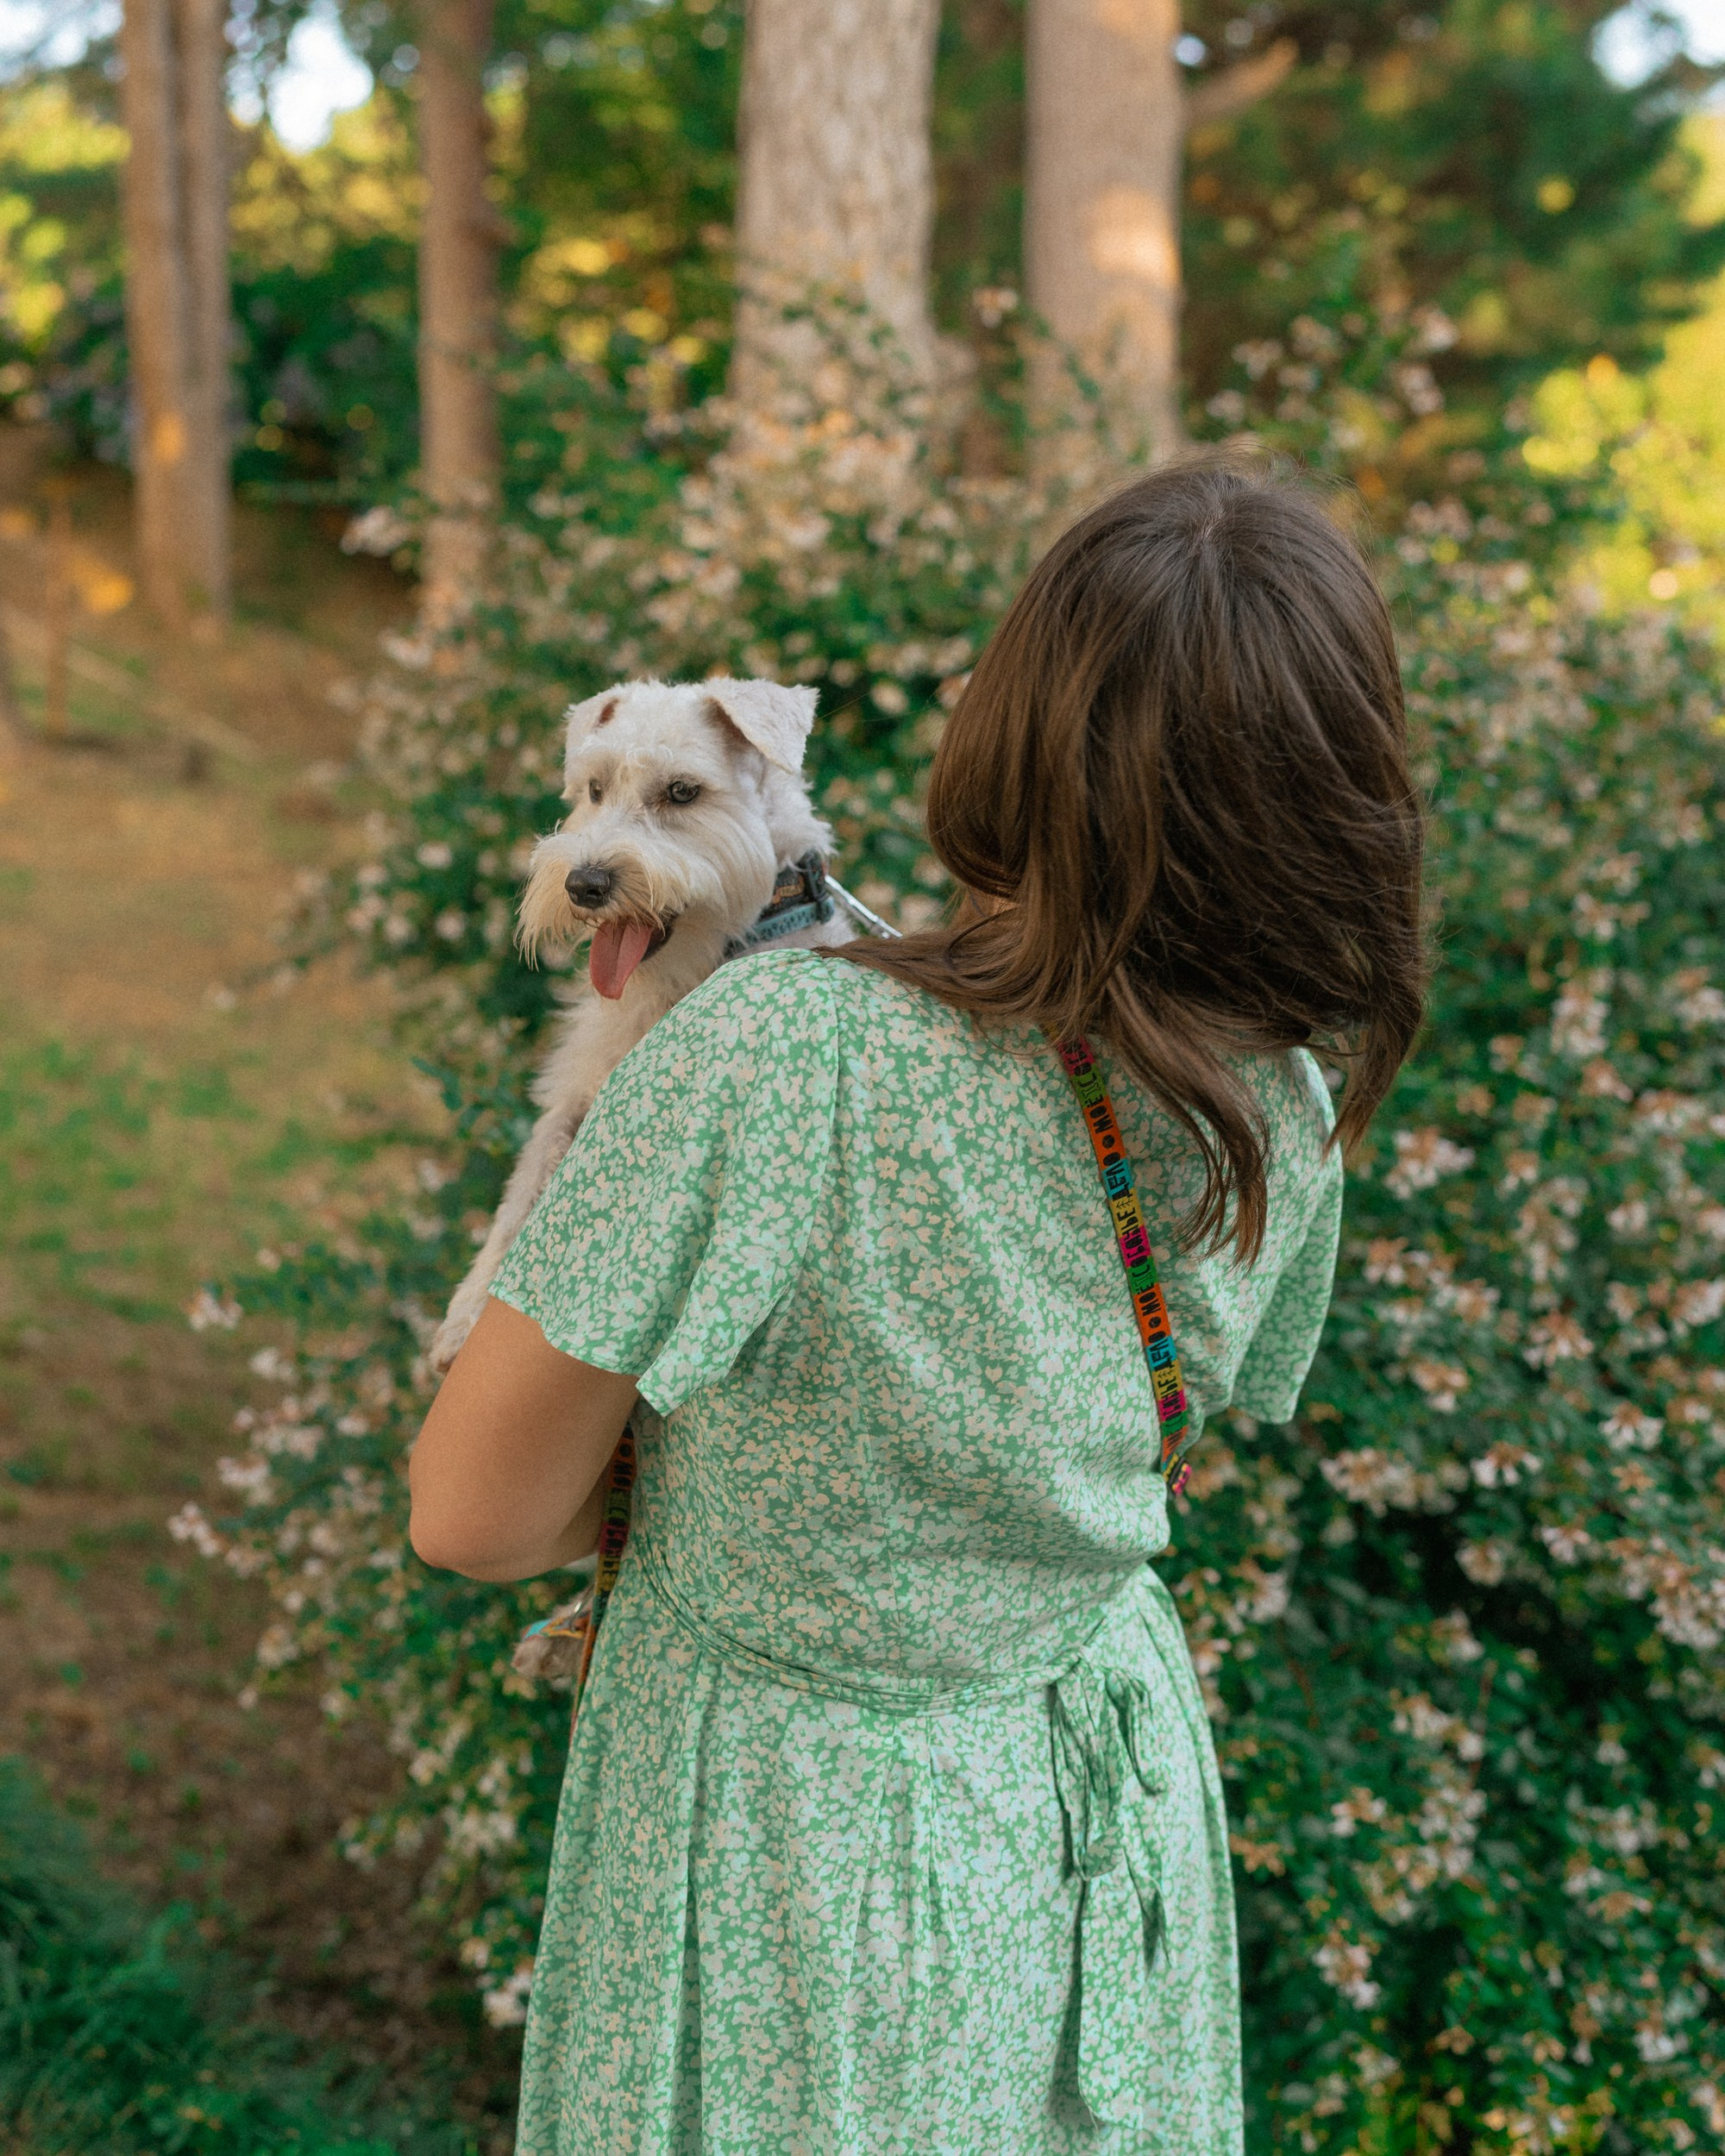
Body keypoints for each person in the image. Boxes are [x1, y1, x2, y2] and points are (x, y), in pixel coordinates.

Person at [409, 454, 1426, 2155]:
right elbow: (1112, 1433)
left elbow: (473, 1512)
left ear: (1012, 728)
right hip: (1100, 1817)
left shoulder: (775, 1050)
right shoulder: (1279, 1102)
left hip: (787, 1846)